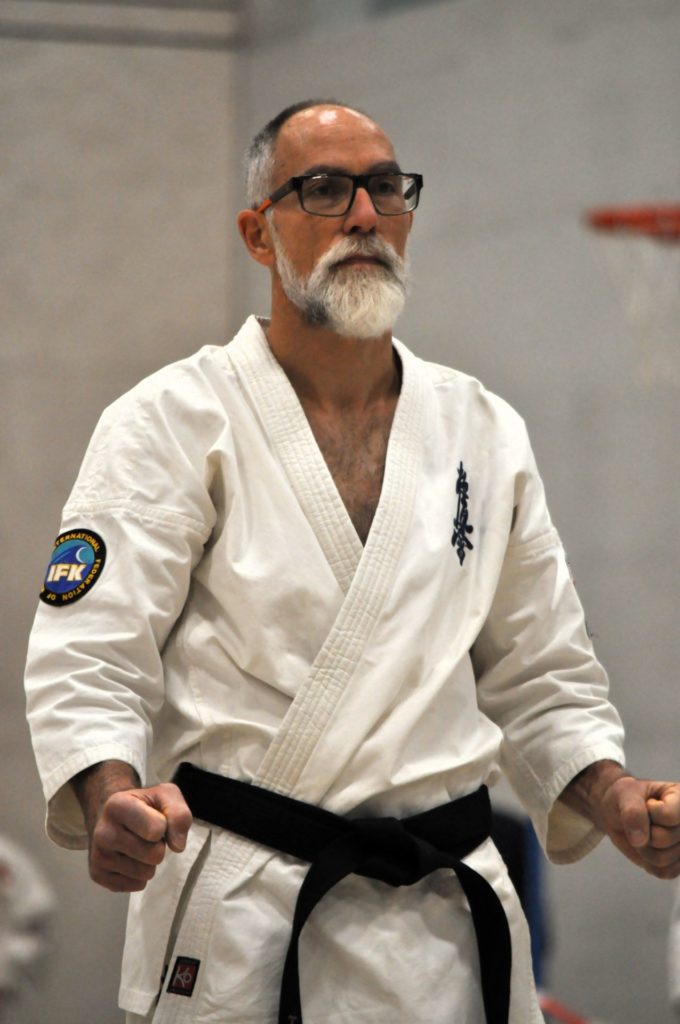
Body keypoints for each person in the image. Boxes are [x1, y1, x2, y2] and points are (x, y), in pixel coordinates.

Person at [24, 99, 680, 1024]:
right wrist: (110, 798)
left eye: (385, 188)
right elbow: (91, 656)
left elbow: (542, 671)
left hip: (446, 930)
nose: (365, 214)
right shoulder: (168, 422)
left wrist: (613, 795)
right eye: (325, 189)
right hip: (251, 918)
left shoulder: (481, 428)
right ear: (259, 233)